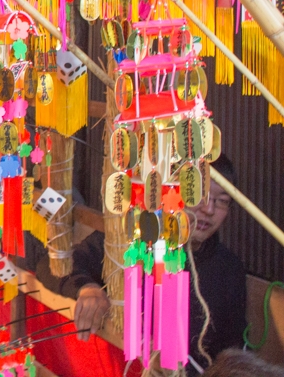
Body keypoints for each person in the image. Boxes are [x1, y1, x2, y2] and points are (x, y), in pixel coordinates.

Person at [62, 156, 246, 374]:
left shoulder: (229, 269)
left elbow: (232, 351)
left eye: (222, 201)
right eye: (198, 195)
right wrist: (87, 289)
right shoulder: (132, 241)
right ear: (172, 191)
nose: (208, 210)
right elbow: (60, 265)